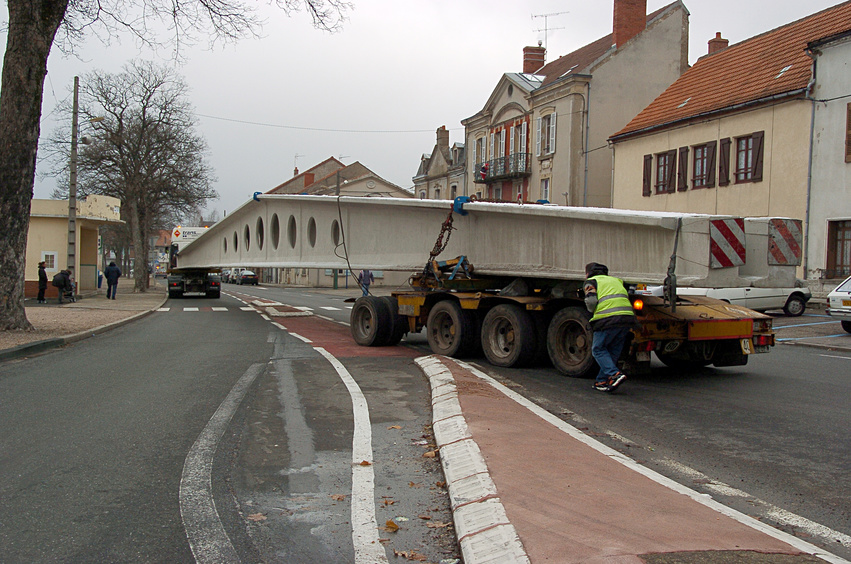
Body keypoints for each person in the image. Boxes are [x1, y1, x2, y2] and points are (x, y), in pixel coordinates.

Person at [584, 262, 636, 393]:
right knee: (612, 350)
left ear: (588, 273)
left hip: (607, 318)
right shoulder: (617, 280)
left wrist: (592, 310)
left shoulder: (592, 281)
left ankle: (614, 375)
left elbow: (591, 302)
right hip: (627, 318)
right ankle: (602, 380)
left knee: (598, 349)